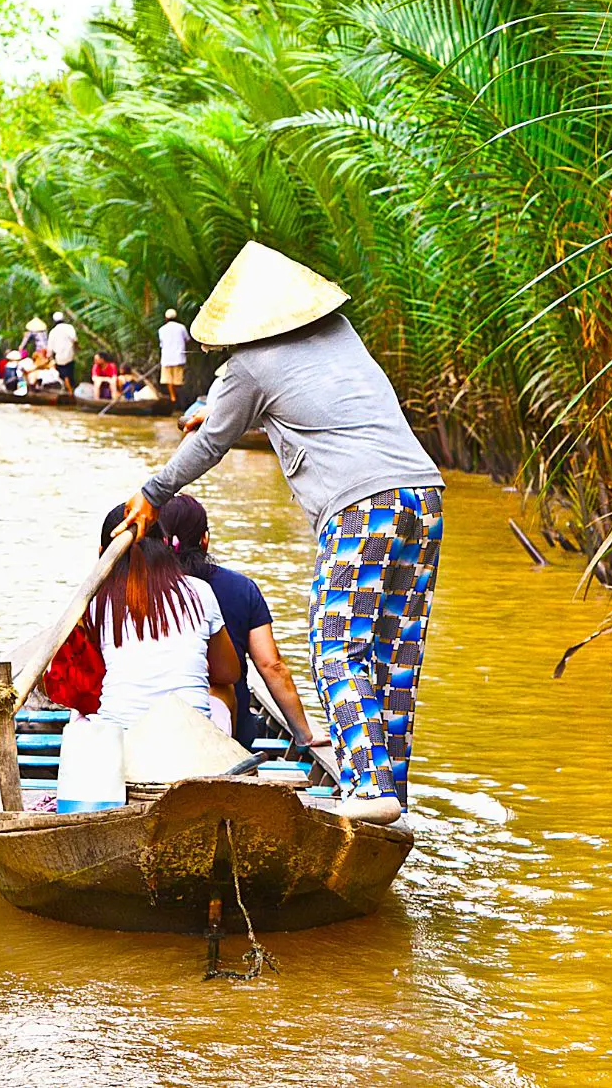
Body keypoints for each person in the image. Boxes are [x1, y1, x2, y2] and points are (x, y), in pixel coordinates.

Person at [121, 241, 444, 825]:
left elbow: (214, 441)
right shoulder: (342, 332)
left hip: (361, 505)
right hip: (423, 495)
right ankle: (391, 792)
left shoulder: (248, 367)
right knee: (395, 654)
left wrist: (152, 493)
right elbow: (289, 395)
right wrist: (212, 406)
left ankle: (367, 788)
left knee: (335, 645)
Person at [157, 494, 316, 750]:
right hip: (232, 729)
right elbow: (270, 664)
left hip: (154, 721)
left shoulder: (140, 591)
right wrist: (303, 735)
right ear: (205, 539)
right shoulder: (242, 589)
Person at [88, 502, 242, 730]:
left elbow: (82, 678)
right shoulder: (200, 591)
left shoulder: (94, 603)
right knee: (224, 690)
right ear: (167, 546)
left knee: (82, 707)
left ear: (102, 554)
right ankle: (224, 755)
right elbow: (229, 673)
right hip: (190, 734)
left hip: (120, 733)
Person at [158, 308, 190, 403]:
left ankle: (173, 397)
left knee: (168, 380)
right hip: (178, 357)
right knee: (178, 380)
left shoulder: (161, 329)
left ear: (166, 318)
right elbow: (187, 339)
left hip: (167, 358)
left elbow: (161, 344)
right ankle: (175, 397)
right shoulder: (181, 327)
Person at [47, 312, 79, 392]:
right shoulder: (69, 328)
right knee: (70, 374)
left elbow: (50, 349)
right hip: (69, 355)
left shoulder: (53, 331)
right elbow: (75, 340)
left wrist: (50, 358)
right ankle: (70, 390)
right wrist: (77, 349)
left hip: (59, 358)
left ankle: (67, 390)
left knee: (63, 375)